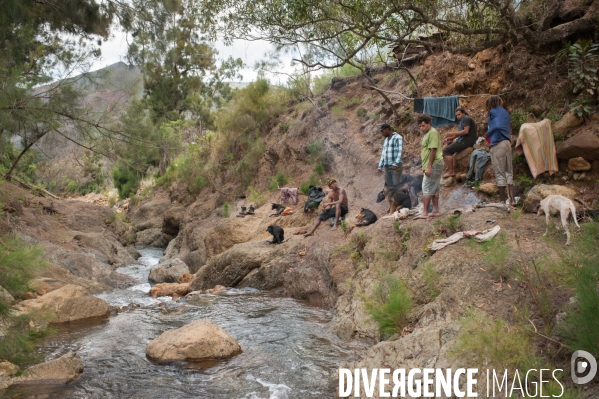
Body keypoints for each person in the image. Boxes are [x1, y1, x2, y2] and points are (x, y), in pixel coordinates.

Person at [485, 96, 516, 206]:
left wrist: (487, 136)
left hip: (498, 143)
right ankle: (512, 200)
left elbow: (496, 126)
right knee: (509, 171)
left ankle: (502, 201)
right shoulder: (505, 112)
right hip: (507, 142)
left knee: (499, 172)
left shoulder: (492, 112)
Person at [415, 114, 443, 220]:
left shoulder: (433, 133)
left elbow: (433, 150)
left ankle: (425, 212)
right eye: (420, 126)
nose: (421, 128)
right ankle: (435, 210)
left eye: (423, 125)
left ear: (429, 124)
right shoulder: (428, 133)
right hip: (431, 164)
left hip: (434, 164)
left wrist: (429, 166)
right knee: (434, 187)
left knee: (426, 187)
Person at [441, 107, 477, 178]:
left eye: (459, 114)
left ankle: (451, 171)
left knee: (446, 150)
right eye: (457, 115)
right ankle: (448, 168)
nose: (458, 116)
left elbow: (466, 131)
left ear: (463, 113)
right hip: (463, 140)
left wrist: (452, 133)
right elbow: (460, 133)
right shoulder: (462, 120)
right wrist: (450, 138)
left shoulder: (466, 119)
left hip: (467, 141)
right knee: (447, 145)